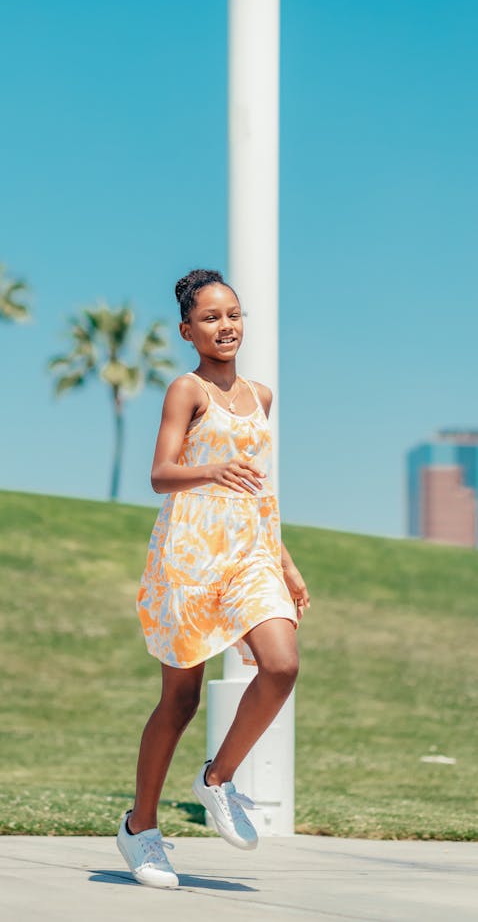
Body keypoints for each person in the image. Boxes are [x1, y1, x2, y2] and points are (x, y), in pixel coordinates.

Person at [116, 268, 310, 890]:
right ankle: (140, 829)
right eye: (210, 318)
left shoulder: (263, 396)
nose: (225, 326)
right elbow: (160, 474)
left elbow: (260, 490)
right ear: (187, 330)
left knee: (280, 665)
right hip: (190, 556)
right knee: (181, 699)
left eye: (233, 315)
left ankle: (219, 778)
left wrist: (284, 561)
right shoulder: (187, 389)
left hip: (250, 552)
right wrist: (212, 468)